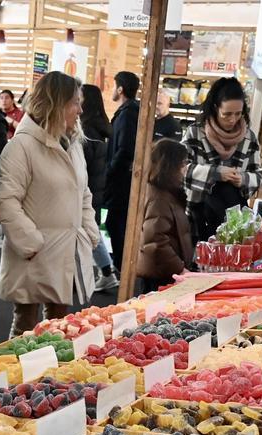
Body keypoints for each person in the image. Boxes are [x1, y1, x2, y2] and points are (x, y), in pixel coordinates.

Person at [0, 72, 98, 336]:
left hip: (64, 252)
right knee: (25, 331)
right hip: (34, 255)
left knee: (60, 329)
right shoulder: (21, 146)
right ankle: (17, 367)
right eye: (75, 102)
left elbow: (83, 192)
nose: (80, 110)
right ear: (56, 104)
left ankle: (52, 366)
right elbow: (6, 202)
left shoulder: (72, 144)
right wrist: (31, 242)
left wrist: (88, 230)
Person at [182, 77, 262, 242]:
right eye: (227, 114)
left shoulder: (248, 138)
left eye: (238, 113)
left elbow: (259, 176)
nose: (233, 119)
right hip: (197, 217)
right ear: (215, 107)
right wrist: (215, 173)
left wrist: (242, 179)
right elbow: (180, 169)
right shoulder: (195, 133)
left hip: (234, 224)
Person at [137, 139, 193, 293]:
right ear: (171, 165)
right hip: (160, 275)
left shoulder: (165, 192)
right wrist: (179, 268)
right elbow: (155, 241)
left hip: (163, 271)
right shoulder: (159, 198)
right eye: (183, 163)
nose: (186, 168)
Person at [79, 83, 117, 291]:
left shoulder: (86, 130)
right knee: (91, 229)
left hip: (87, 189)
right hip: (97, 187)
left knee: (88, 230)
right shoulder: (100, 128)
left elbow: (82, 163)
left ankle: (106, 271)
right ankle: (105, 271)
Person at [105, 71, 139, 272]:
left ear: (120, 89)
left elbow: (125, 148)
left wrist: (110, 170)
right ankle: (121, 266)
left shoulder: (128, 113)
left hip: (121, 181)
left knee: (116, 223)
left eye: (114, 86)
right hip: (122, 179)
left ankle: (121, 267)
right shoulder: (128, 111)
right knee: (116, 223)